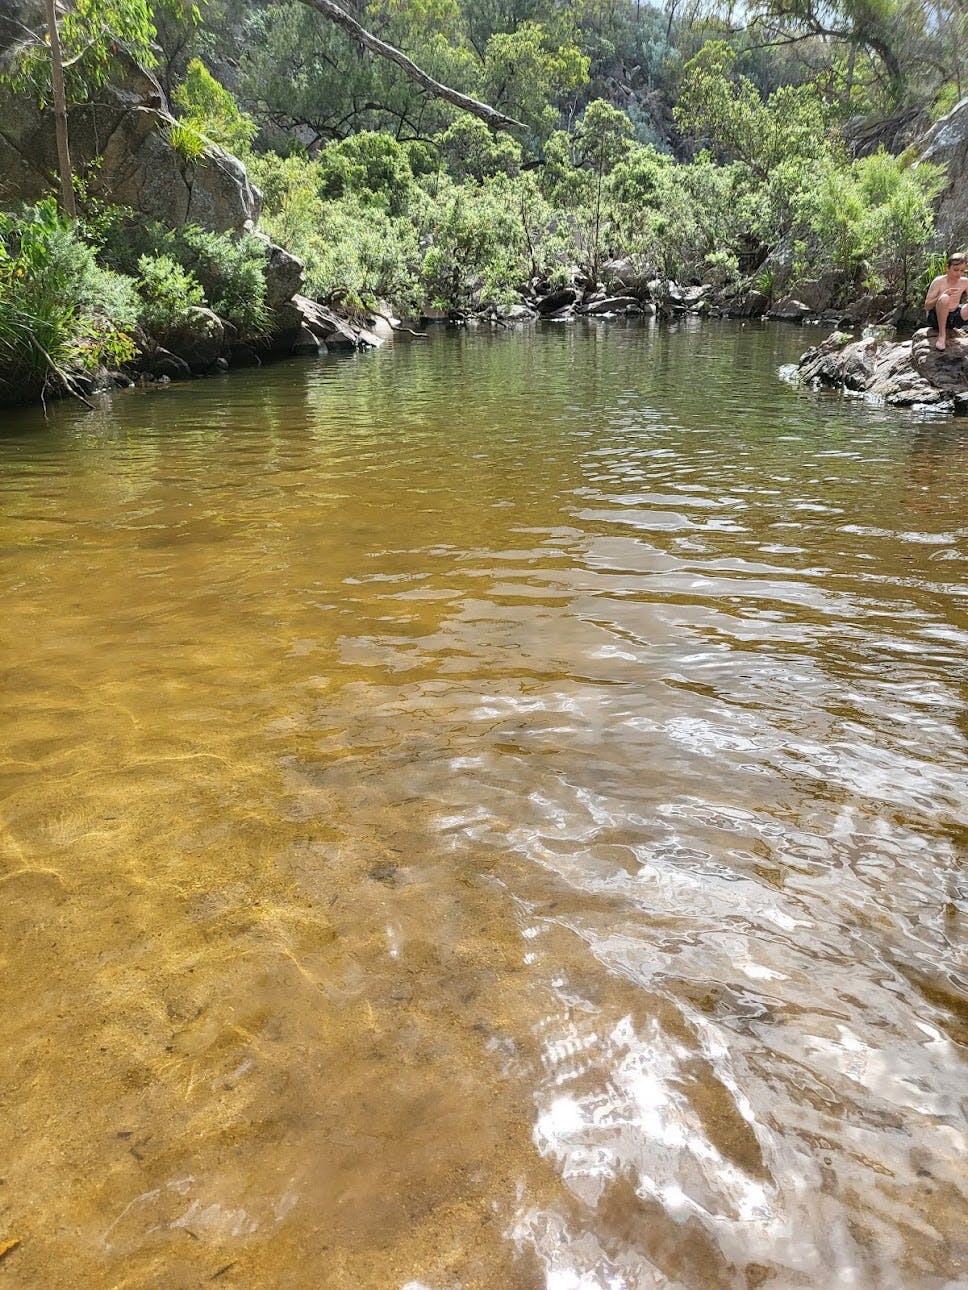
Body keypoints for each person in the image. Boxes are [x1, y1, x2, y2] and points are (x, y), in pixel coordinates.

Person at [924, 252, 968, 351]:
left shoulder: (965, 282)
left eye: (962, 271)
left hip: (953, 318)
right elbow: (927, 306)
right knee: (944, 298)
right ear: (947, 268)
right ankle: (942, 335)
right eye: (956, 270)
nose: (959, 274)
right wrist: (942, 294)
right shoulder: (938, 281)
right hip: (935, 318)